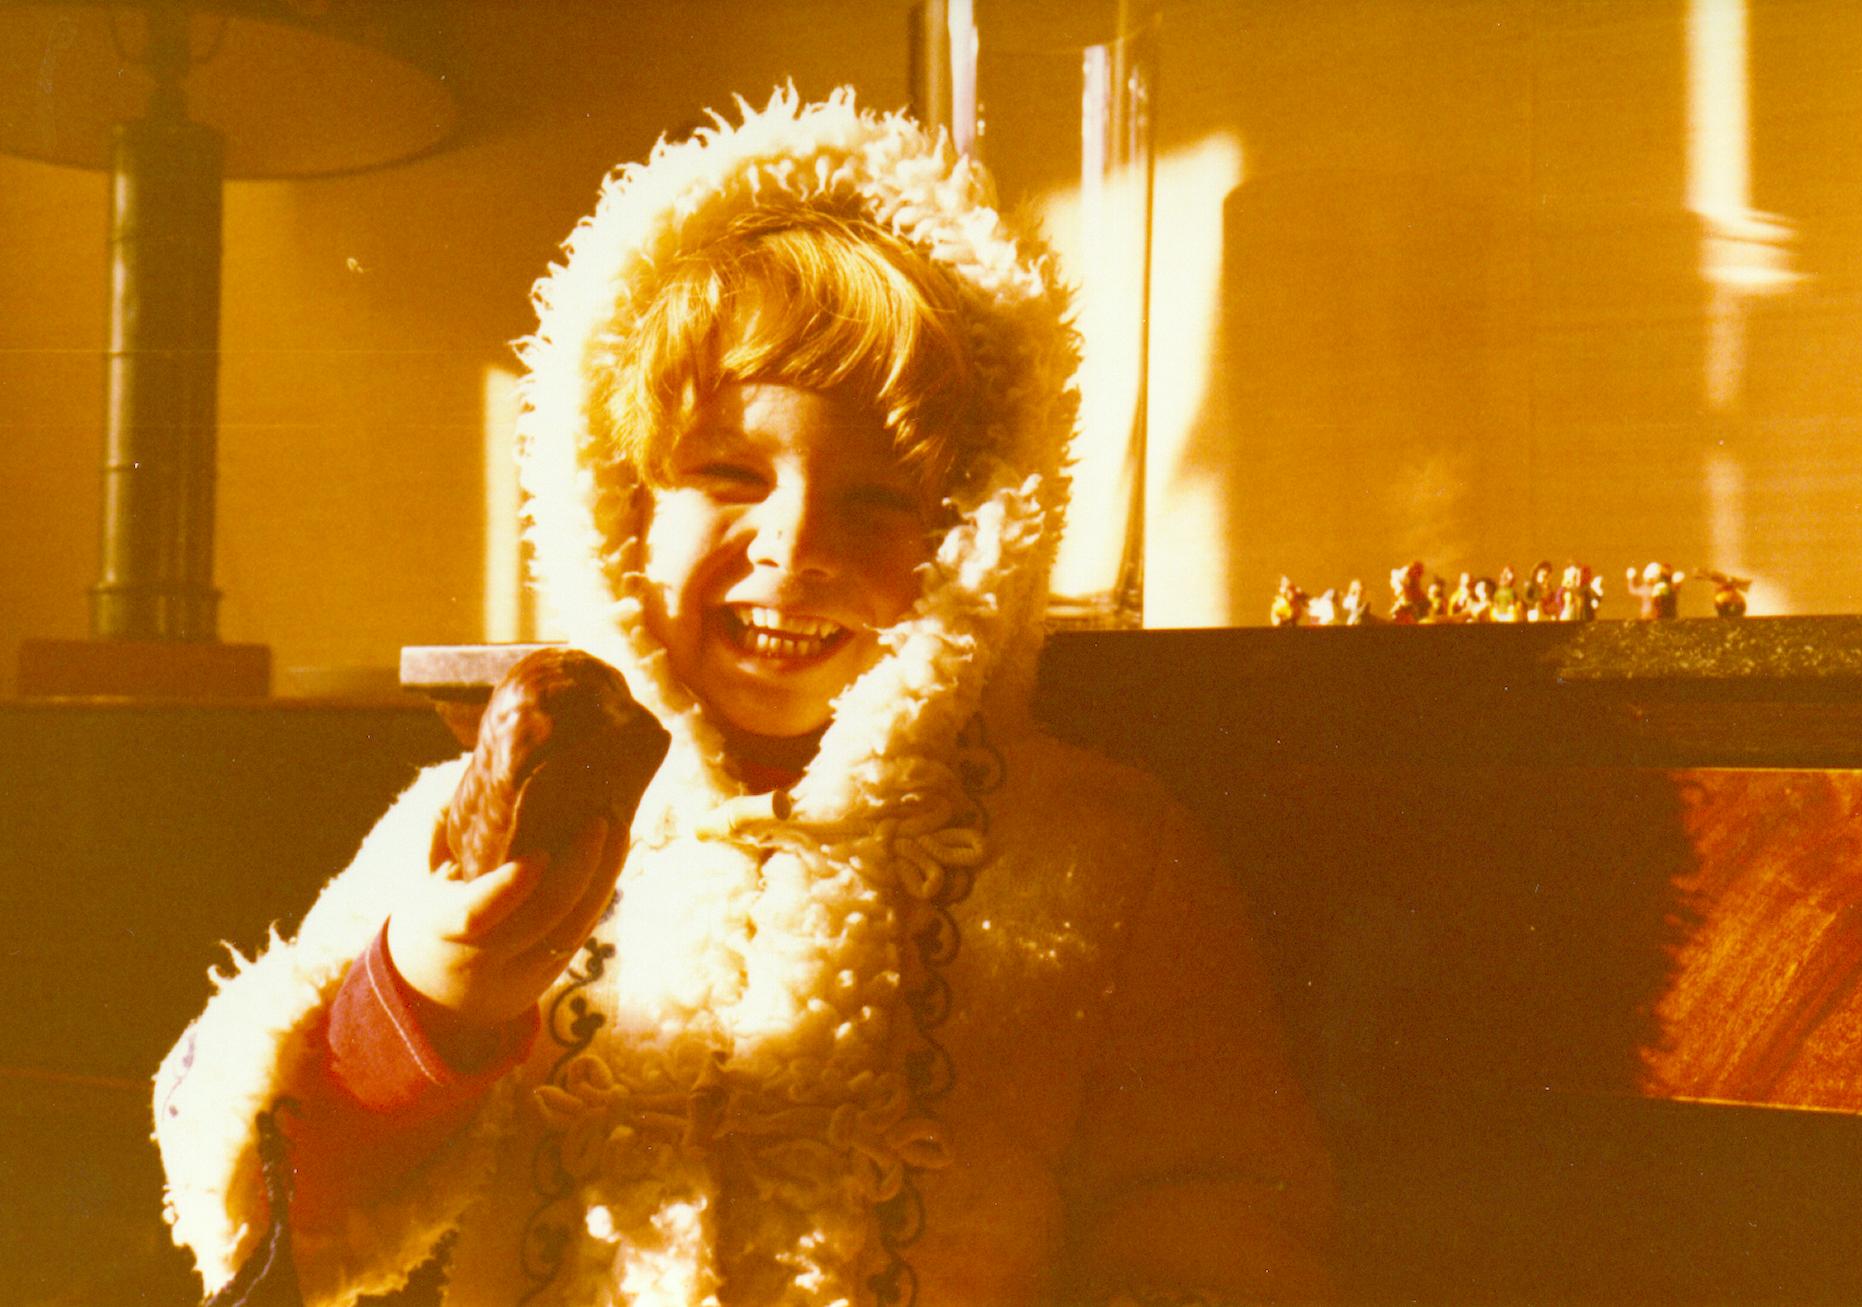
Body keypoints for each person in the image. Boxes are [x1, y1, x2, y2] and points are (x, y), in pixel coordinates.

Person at [152, 89, 1335, 1307]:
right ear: (621, 506)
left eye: (879, 499)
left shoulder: (1107, 860)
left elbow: (1220, 1230)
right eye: (728, 473)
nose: (797, 545)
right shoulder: (468, 832)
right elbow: (269, 1201)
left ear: (975, 537)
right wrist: (431, 996)